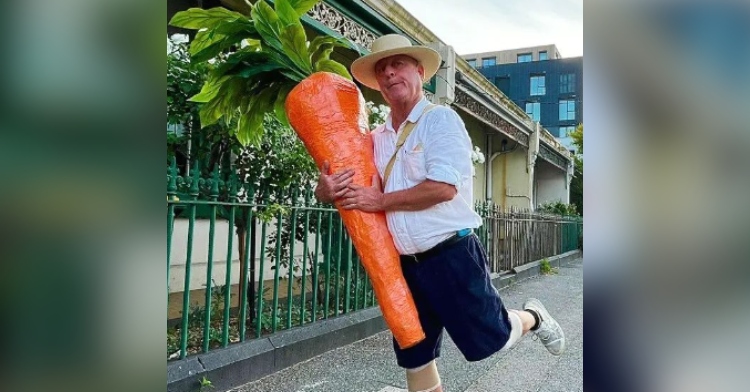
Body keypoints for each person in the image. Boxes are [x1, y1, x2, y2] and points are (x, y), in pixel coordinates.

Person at [314, 34, 565, 392]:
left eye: (397, 64)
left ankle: (534, 317)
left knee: (491, 340)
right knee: (415, 353)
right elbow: (343, 181)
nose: (389, 73)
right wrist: (324, 189)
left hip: (451, 255)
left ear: (419, 71)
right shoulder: (375, 137)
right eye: (381, 69)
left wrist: (380, 202)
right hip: (405, 267)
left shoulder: (441, 121)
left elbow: (442, 188)